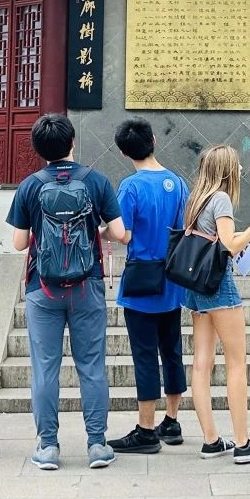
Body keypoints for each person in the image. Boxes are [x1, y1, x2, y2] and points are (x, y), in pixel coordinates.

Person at [7, 113, 126, 471]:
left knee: (45, 368)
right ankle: (97, 445)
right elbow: (119, 233)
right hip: (87, 285)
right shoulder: (96, 181)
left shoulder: (30, 186)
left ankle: (47, 447)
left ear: (38, 149)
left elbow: (18, 243)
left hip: (42, 289)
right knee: (92, 366)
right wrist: (95, 231)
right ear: (72, 142)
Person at [183, 144, 250, 464]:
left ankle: (210, 440)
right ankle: (242, 443)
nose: (241, 171)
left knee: (201, 363)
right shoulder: (220, 199)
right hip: (218, 286)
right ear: (227, 171)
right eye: (237, 166)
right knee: (236, 363)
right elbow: (229, 245)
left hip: (196, 287)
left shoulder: (196, 198)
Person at [108, 118, 190, 455]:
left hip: (141, 281)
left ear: (124, 153)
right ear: (154, 140)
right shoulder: (178, 183)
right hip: (172, 280)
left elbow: (124, 235)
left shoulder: (130, 187)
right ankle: (171, 420)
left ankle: (145, 430)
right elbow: (184, 228)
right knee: (172, 351)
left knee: (144, 355)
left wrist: (104, 230)